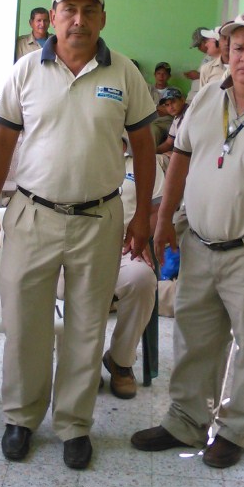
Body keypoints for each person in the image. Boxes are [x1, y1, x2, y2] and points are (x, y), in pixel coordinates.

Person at [0, 0, 157, 469]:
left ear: (103, 18)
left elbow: (143, 145)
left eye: (89, 10)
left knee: (86, 324)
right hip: (32, 214)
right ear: (52, 15)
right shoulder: (25, 71)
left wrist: (142, 214)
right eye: (68, 10)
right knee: (25, 321)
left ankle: (75, 424)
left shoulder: (123, 74)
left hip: (99, 217)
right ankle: (20, 416)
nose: (78, 20)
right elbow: (2, 144)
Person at [131, 9, 244, 469]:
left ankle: (235, 431)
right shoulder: (209, 94)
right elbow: (180, 158)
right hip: (198, 240)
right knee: (195, 337)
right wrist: (162, 221)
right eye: (237, 48)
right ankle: (185, 420)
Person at [86, 135, 165, 399]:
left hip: (124, 247)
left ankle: (120, 361)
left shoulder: (143, 163)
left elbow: (155, 211)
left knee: (142, 280)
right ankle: (84, 363)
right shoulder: (82, 157)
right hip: (81, 247)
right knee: (74, 285)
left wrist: (139, 237)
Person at [155, 87, 187, 156]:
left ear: (182, 100)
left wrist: (175, 154)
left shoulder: (190, 114)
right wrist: (152, 152)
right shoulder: (176, 118)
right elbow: (168, 143)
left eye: (173, 102)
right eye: (167, 105)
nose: (171, 107)